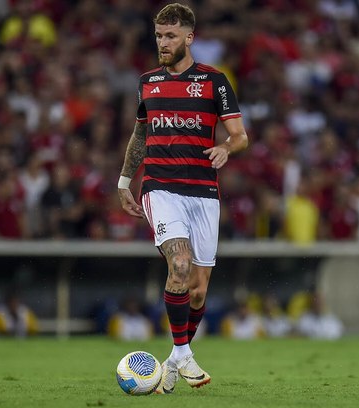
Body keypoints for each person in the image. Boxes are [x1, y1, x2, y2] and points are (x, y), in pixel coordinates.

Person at [117, 3, 248, 394]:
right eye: (158, 35)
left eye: (170, 35)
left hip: (204, 192)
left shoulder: (214, 81)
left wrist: (227, 148)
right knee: (179, 264)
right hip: (160, 187)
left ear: (189, 37)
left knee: (197, 289)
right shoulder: (147, 82)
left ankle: (173, 361)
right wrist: (126, 180)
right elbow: (141, 135)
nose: (163, 42)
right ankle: (185, 354)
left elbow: (240, 135)